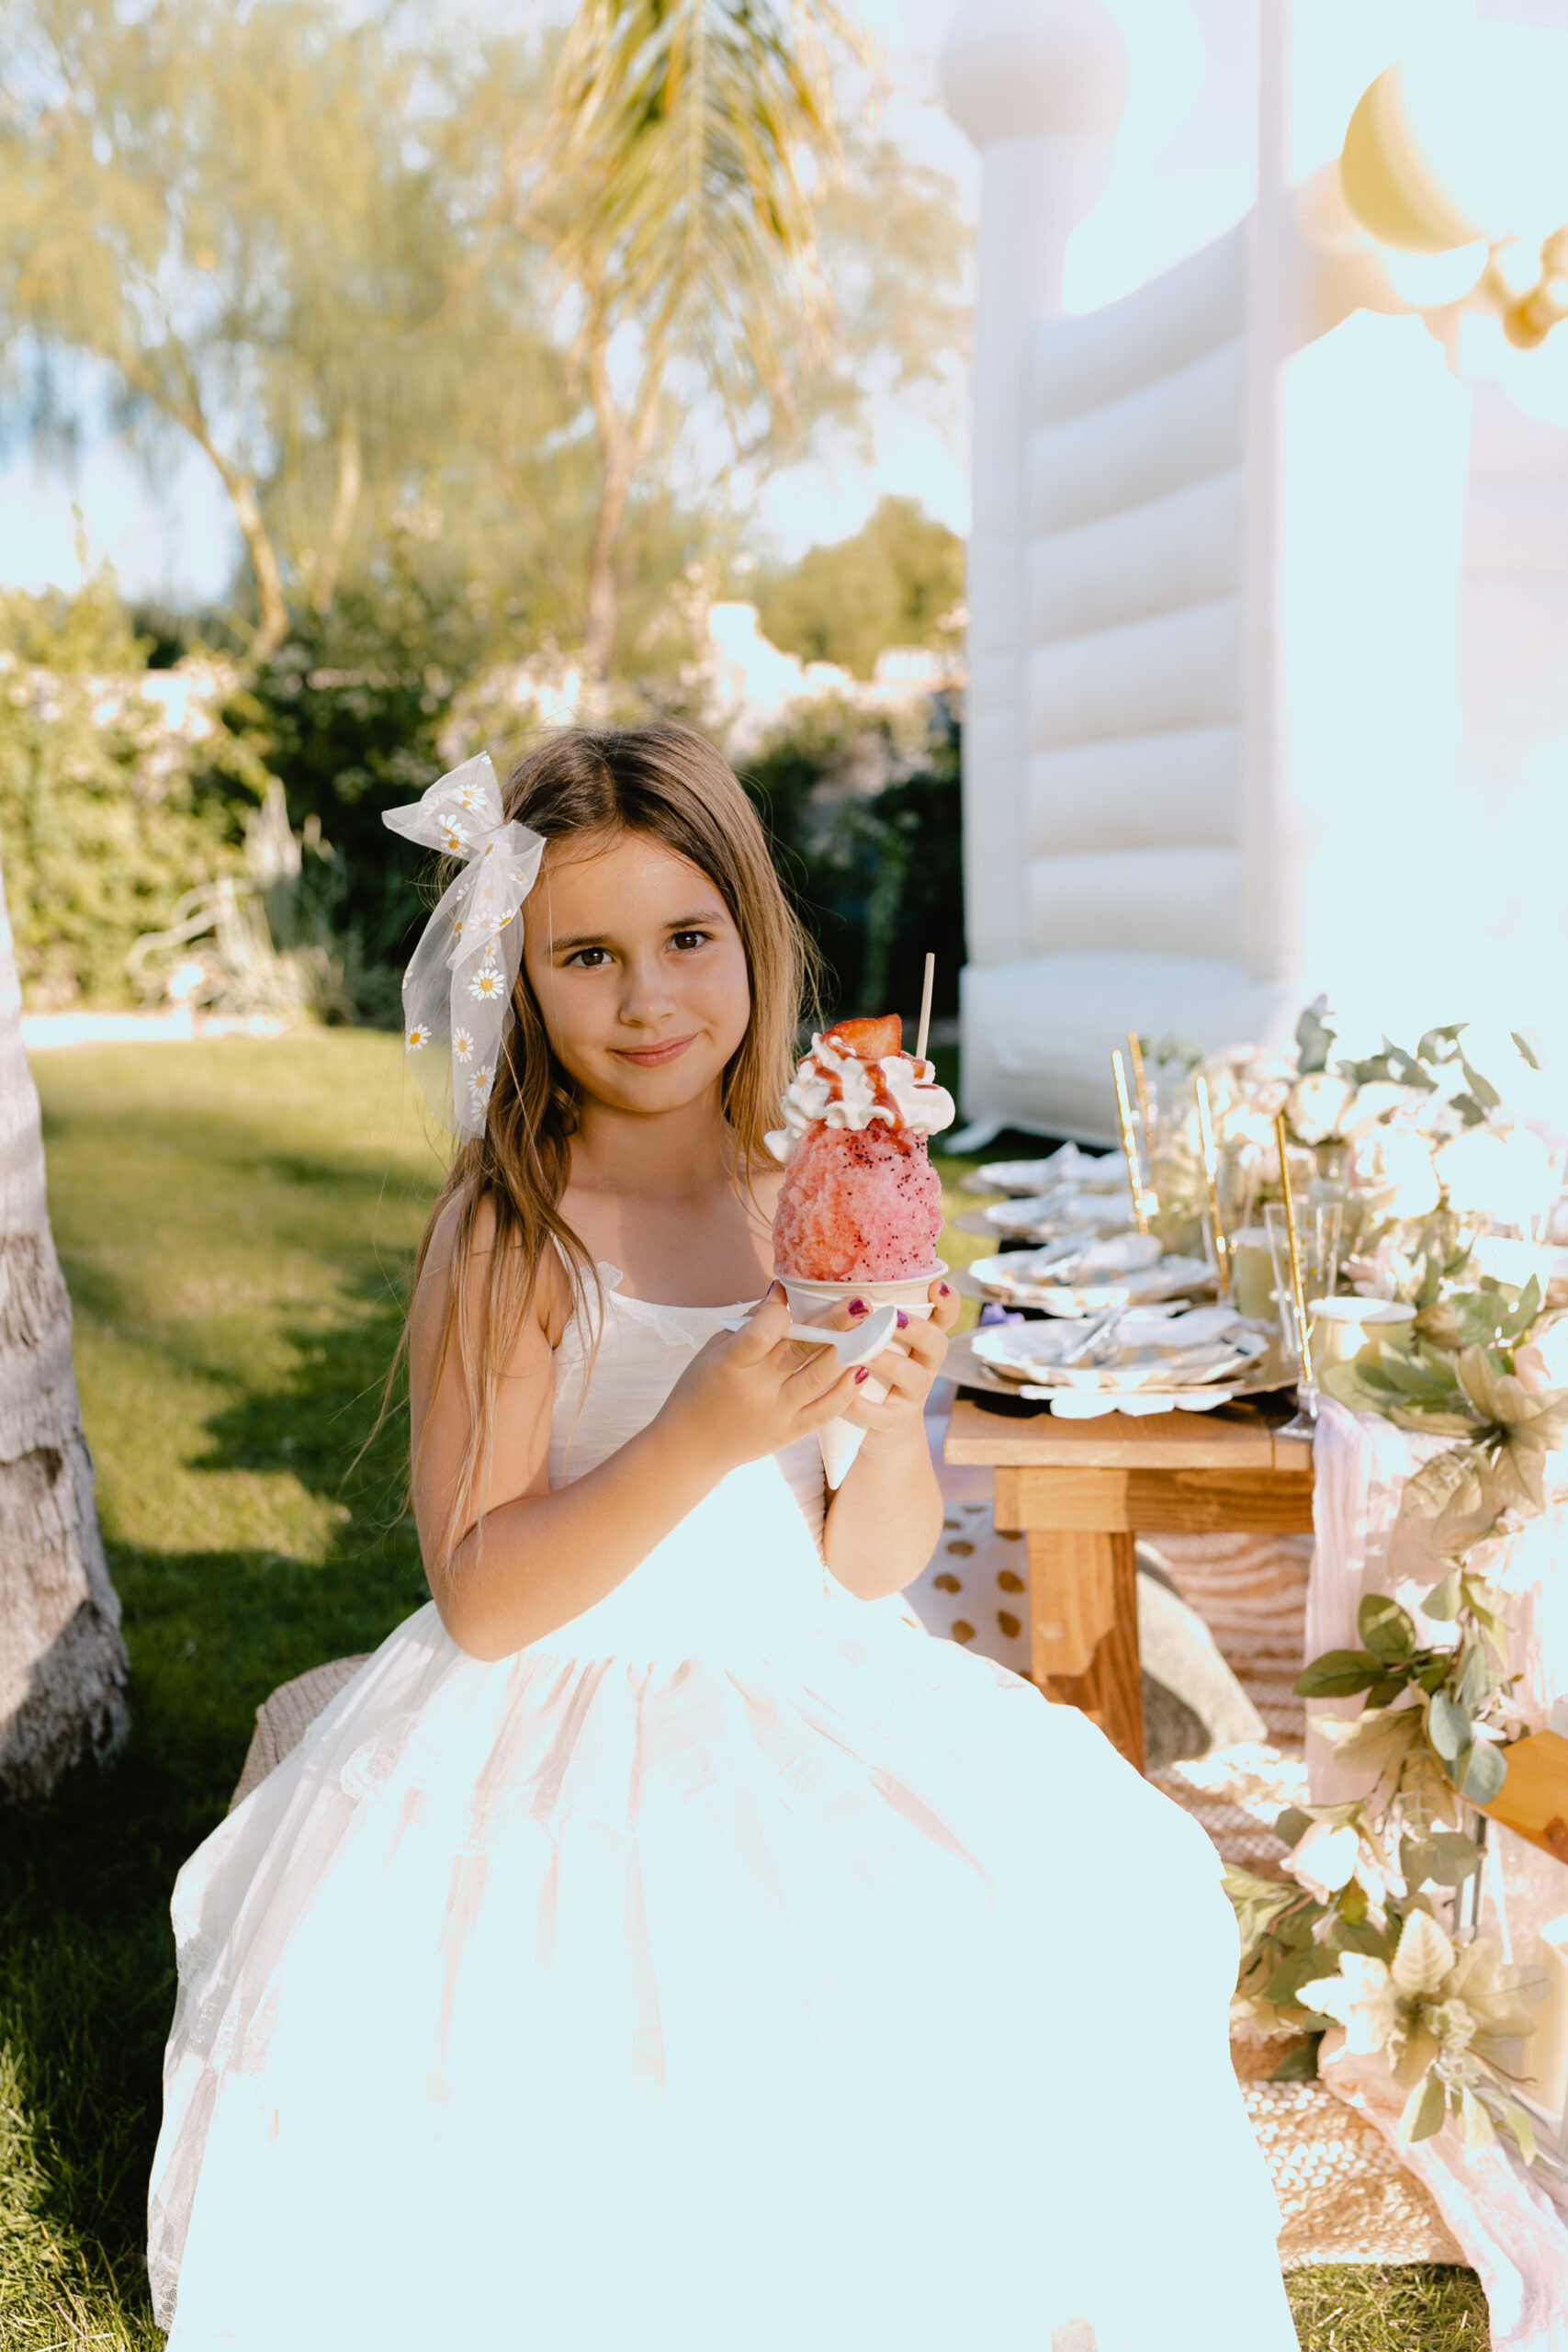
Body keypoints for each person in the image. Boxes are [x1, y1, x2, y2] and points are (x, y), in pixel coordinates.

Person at [147, 725, 1296, 2350]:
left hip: (808, 1669)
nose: (646, 998)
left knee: (1062, 1904)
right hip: (563, 1697)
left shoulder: (808, 1194)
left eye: (688, 940)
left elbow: (868, 1560)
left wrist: (888, 1414)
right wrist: (700, 1431)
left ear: (754, 939)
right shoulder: (518, 1223)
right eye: (588, 957)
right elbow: (482, 1598)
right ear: (520, 978)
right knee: (660, 2019)